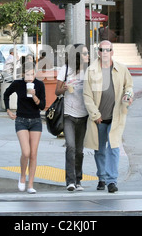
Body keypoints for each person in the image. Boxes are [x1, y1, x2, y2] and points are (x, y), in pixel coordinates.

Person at [83, 40, 134, 193]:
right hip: (99, 118)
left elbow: (129, 86)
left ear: (112, 52)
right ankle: (102, 178)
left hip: (116, 117)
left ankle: (112, 181)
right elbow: (87, 95)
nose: (105, 52)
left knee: (114, 148)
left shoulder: (121, 69)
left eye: (108, 50)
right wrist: (95, 114)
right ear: (98, 52)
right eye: (102, 50)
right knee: (99, 150)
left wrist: (128, 95)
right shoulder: (91, 70)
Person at [3, 61, 46, 194]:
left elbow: (42, 106)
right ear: (23, 74)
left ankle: (30, 184)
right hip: (21, 120)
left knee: (33, 154)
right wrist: (8, 110)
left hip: (35, 121)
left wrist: (34, 96)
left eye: (32, 74)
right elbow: (6, 93)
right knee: (26, 152)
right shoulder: (18, 83)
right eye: (27, 74)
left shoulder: (39, 85)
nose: (30, 77)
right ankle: (22, 176)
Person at [55, 44, 90, 192]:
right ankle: (70, 181)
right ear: (77, 55)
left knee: (80, 150)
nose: (88, 55)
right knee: (70, 146)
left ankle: (78, 180)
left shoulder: (88, 70)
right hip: (69, 114)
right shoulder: (65, 69)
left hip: (84, 115)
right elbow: (57, 91)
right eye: (85, 53)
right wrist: (65, 87)